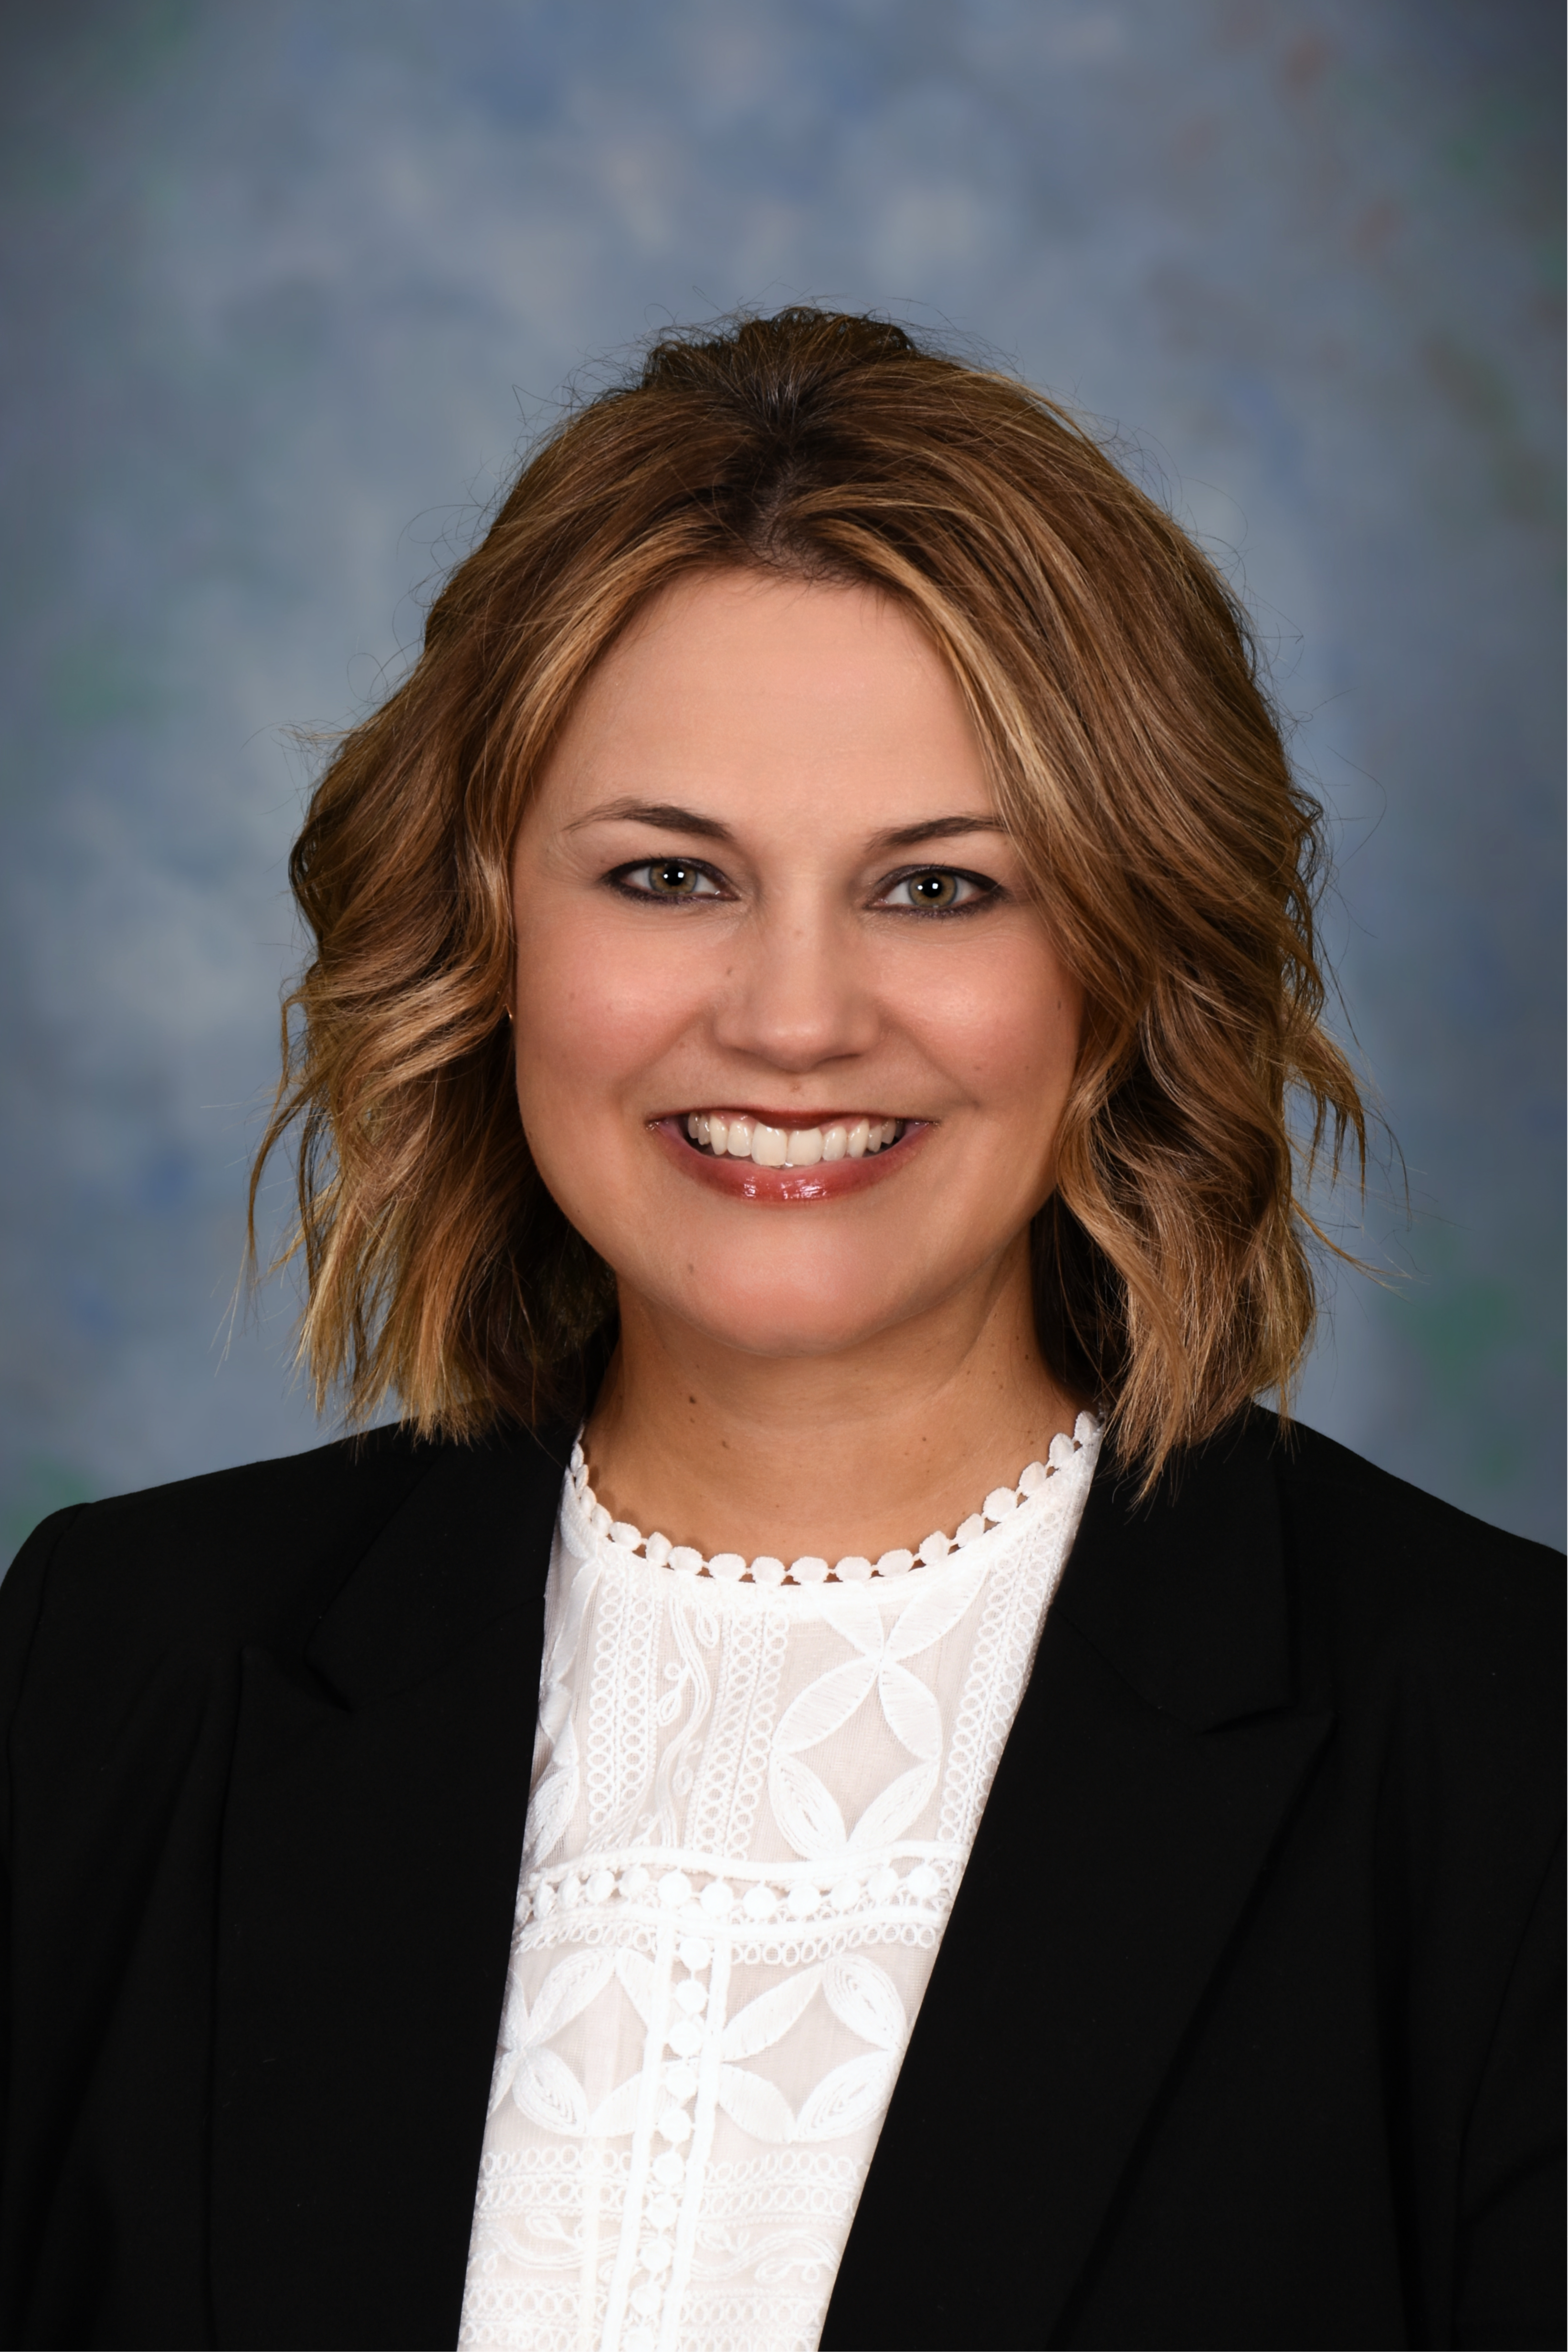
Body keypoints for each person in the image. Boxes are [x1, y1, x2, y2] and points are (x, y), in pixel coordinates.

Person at [0, 309, 1561, 2352]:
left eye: (936, 890)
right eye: (667, 875)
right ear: (484, 938)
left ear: (1123, 955)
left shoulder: (1502, 1744)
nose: (795, 1016)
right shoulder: (125, 1664)